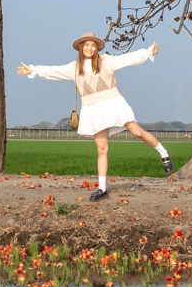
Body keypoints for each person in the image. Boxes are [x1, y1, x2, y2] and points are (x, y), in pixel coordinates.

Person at [17, 33, 173, 200]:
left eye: (92, 45)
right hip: (93, 109)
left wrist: (148, 52)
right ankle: (102, 189)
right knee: (101, 149)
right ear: (81, 48)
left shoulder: (106, 61)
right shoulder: (74, 67)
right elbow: (53, 71)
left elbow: (127, 59)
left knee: (137, 132)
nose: (89, 48)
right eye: (86, 45)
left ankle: (163, 153)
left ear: (97, 47)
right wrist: (32, 69)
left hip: (113, 102)